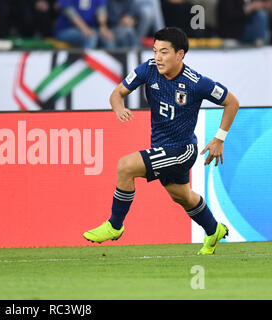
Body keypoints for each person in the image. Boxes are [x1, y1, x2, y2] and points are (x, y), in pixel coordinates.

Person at [83, 27, 240, 255]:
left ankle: (114, 226)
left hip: (182, 150)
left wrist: (219, 139)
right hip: (162, 147)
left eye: (164, 52)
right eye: (155, 50)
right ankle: (213, 230)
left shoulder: (197, 83)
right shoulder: (148, 69)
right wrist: (119, 108)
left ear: (180, 54)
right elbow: (117, 94)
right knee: (182, 197)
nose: (158, 57)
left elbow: (232, 102)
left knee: (125, 166)